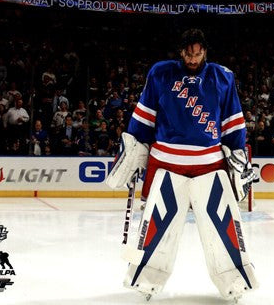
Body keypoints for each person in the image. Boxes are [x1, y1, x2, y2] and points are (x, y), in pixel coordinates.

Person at [106, 29, 258, 301]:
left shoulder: (222, 77)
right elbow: (143, 118)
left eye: (198, 52)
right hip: (166, 163)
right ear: (181, 51)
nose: (193, 57)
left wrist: (238, 156)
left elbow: (233, 124)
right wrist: (132, 149)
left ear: (205, 52)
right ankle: (146, 279)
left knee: (221, 223)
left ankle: (234, 280)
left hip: (210, 164)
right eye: (188, 52)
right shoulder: (160, 73)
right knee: (157, 224)